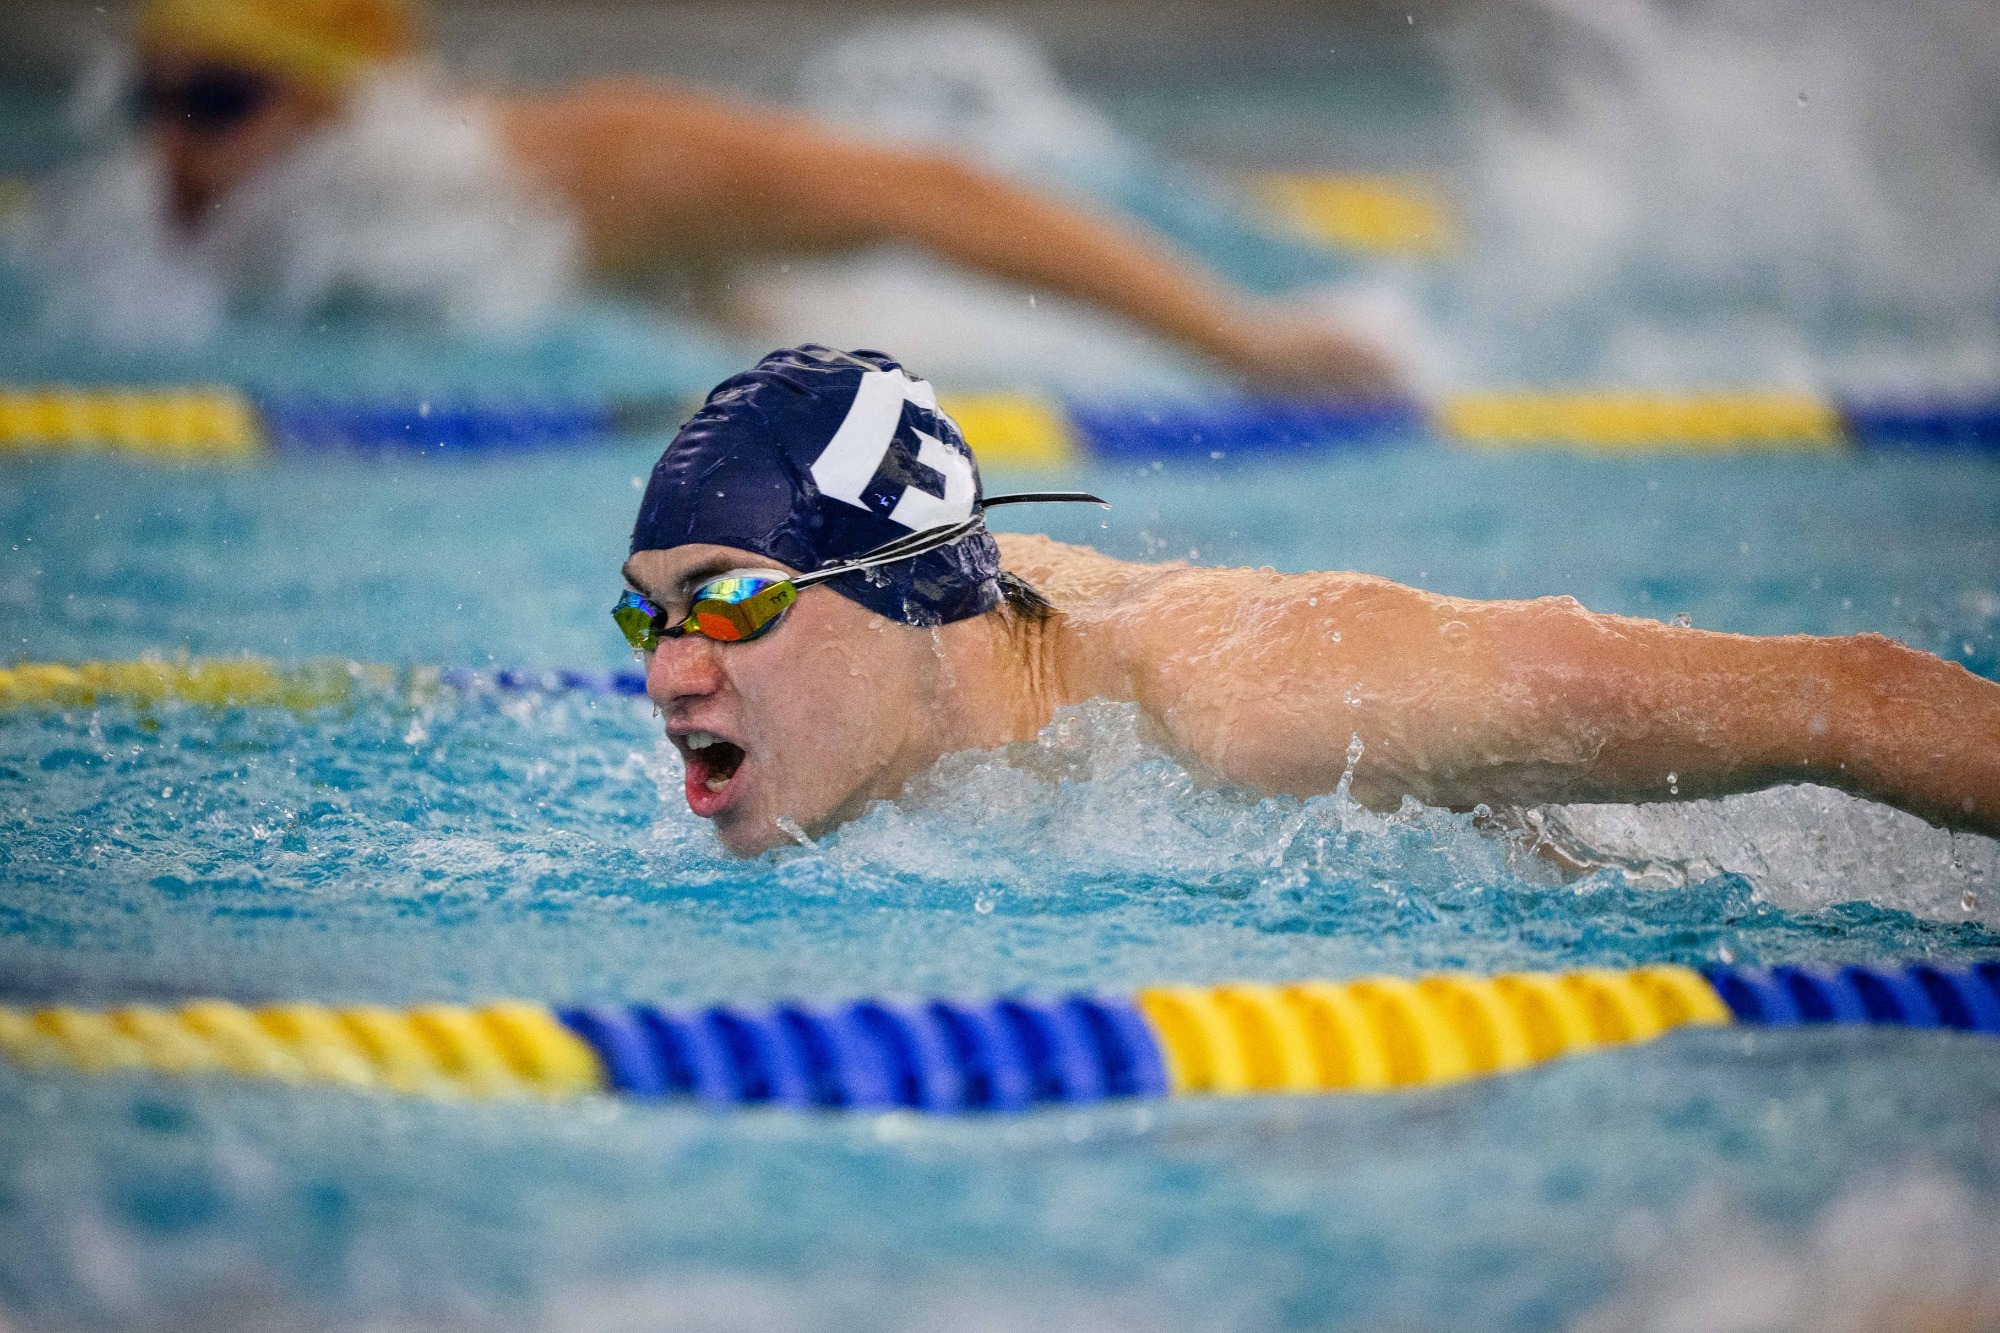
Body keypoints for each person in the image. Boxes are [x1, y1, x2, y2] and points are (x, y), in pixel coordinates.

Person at [620, 345, 2000, 857]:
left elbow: (1848, 693)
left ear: (911, 585)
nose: (671, 675)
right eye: (653, 614)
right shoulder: (924, 689)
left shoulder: (1250, 699)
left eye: (732, 601)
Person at [79, 0, 1393, 393]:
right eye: (155, 107)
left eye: (219, 105)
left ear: (342, 104)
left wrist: (1246, 343)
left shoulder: (576, 176)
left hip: (993, 305)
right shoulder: (174, 244)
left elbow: (929, 190)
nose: (174, 160)